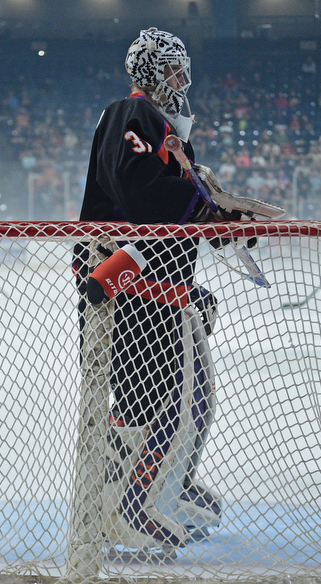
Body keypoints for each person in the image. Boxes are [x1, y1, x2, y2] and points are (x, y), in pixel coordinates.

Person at [73, 28, 228, 550]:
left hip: (160, 282)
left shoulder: (166, 126)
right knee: (150, 401)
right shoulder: (130, 113)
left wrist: (215, 212)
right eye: (173, 70)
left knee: (196, 395)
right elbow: (141, 195)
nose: (182, 80)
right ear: (149, 73)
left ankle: (167, 487)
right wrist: (204, 204)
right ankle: (125, 509)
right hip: (123, 283)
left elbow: (176, 208)